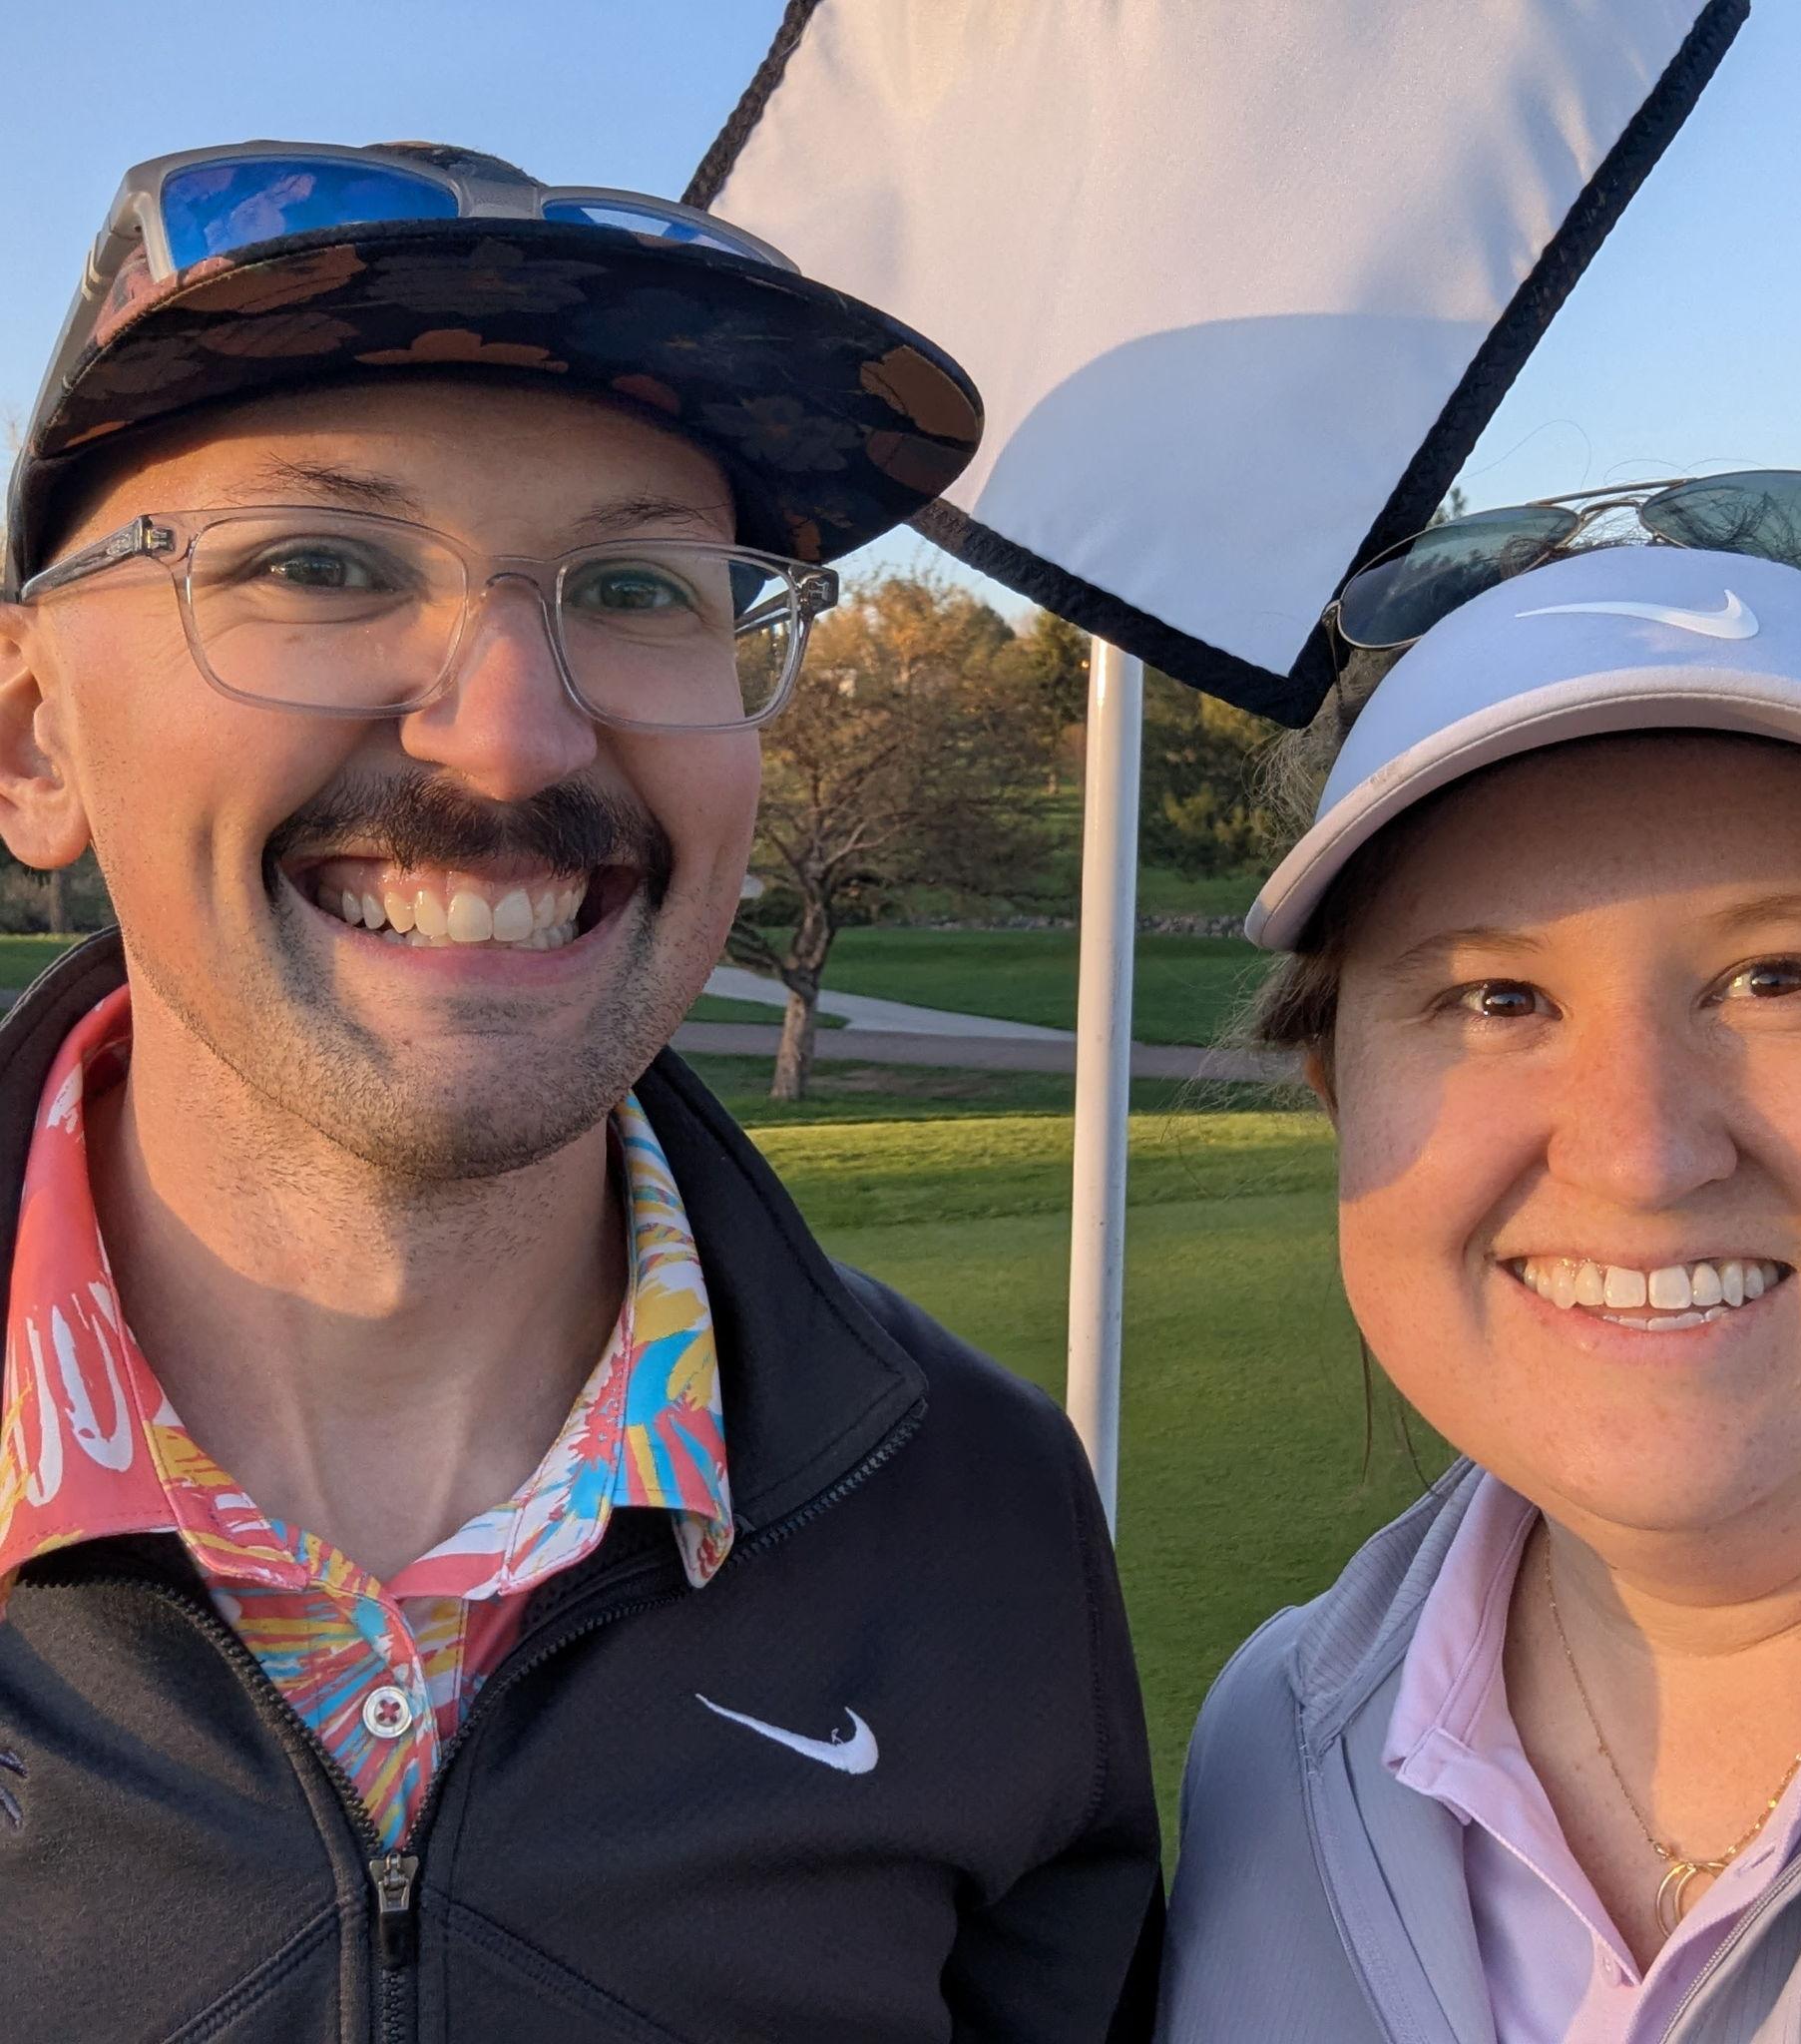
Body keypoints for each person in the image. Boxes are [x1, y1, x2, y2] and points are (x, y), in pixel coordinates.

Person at [0, 141, 1159, 2042]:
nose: (514, 733)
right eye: (319, 561)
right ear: (37, 738)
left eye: (639, 586)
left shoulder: (985, 1515)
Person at [1160, 487, 1801, 2042]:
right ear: (1340, 1101)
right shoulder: (1273, 1748)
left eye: (1782, 977)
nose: (1639, 1151)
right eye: (1496, 999)